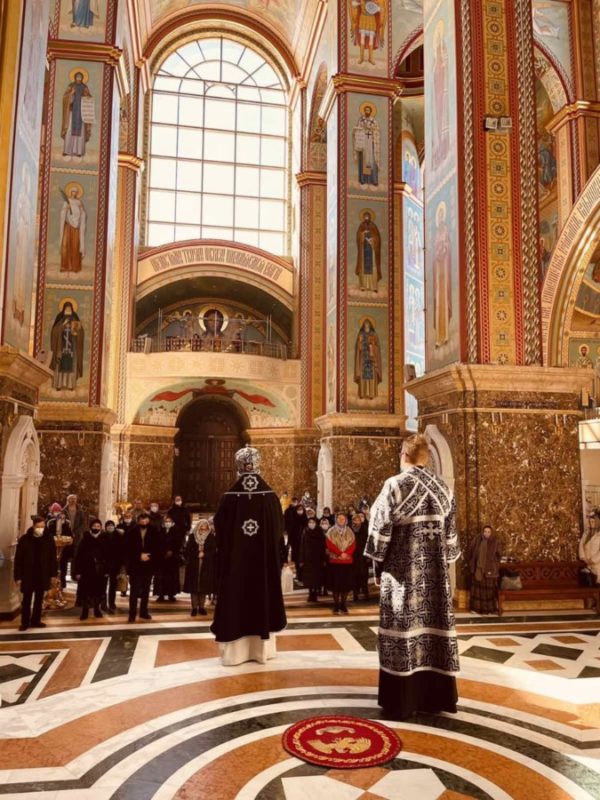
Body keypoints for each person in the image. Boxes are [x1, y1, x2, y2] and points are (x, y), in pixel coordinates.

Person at [366, 433, 460, 720]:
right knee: (433, 630)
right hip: (435, 582)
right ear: (426, 457)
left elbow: (379, 532)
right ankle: (436, 697)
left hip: (402, 579)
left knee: (402, 628)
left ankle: (402, 700)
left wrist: (377, 565)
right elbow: (451, 544)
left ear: (403, 456)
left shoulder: (395, 485)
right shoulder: (443, 488)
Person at [211, 446, 287, 665]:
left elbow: (220, 530)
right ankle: (262, 651)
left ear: (239, 467)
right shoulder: (270, 497)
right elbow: (278, 531)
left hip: (236, 564)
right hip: (263, 564)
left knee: (236, 596)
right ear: (257, 465)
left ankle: (236, 654)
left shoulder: (229, 497)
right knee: (262, 595)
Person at [14, 516, 57, 631]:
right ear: (33, 526)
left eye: (43, 526)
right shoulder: (24, 539)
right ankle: (25, 622)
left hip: (42, 573)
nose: (41, 529)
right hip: (28, 574)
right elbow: (18, 559)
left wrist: (53, 574)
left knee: (39, 598)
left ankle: (36, 620)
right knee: (26, 599)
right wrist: (17, 577)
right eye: (38, 527)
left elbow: (53, 558)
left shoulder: (49, 539)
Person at [125, 512, 161, 623]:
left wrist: (149, 556)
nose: (144, 522)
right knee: (134, 591)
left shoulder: (154, 531)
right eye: (142, 520)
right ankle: (132, 614)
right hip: (135, 565)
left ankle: (143, 612)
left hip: (149, 565)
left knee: (146, 590)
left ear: (149, 520)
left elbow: (159, 547)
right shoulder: (131, 531)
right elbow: (127, 548)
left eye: (146, 520)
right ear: (138, 520)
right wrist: (139, 556)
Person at [74, 519, 108, 620]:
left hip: (99, 570)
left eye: (98, 526)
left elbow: (108, 555)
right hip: (86, 570)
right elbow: (78, 556)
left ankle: (97, 609)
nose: (96, 528)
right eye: (94, 526)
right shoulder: (85, 539)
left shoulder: (104, 539)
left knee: (98, 590)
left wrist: (107, 570)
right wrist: (77, 571)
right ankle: (85, 611)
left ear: (101, 528)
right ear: (91, 527)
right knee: (85, 591)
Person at [183, 518, 216, 616]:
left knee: (203, 587)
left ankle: (201, 607)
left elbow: (213, 550)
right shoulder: (192, 536)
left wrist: (204, 554)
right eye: (201, 526)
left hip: (206, 565)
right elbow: (188, 550)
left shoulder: (211, 537)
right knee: (194, 587)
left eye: (205, 526)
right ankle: (194, 608)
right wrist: (197, 554)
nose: (203, 528)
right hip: (194, 563)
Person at [325, 512, 356, 614]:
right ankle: (336, 605)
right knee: (336, 585)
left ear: (346, 520)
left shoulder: (350, 531)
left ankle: (343, 604)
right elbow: (329, 544)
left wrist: (346, 554)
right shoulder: (330, 531)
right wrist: (340, 553)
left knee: (345, 585)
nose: (341, 520)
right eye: (339, 518)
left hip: (347, 561)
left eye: (343, 519)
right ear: (336, 519)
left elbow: (353, 545)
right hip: (335, 561)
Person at [154, 514, 184, 602]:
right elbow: (156, 543)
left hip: (172, 558)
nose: (167, 523)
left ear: (172, 523)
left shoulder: (176, 532)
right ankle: (161, 595)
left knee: (172, 577)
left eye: (169, 521)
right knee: (161, 577)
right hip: (161, 558)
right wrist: (162, 552)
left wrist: (172, 551)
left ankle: (171, 594)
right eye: (166, 521)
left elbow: (179, 543)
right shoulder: (160, 531)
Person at [61, 493, 86, 587]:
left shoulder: (80, 511)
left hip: (77, 536)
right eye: (71, 499)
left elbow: (83, 524)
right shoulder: (63, 511)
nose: (72, 500)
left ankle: (73, 574)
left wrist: (77, 532)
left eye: (74, 499)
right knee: (64, 555)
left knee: (75, 555)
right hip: (66, 535)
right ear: (68, 500)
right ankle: (62, 576)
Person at [300, 516, 326, 602]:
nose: (311, 524)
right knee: (309, 577)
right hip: (308, 558)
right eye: (310, 522)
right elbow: (302, 546)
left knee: (317, 576)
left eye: (313, 522)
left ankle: (315, 592)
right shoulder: (305, 532)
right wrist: (301, 559)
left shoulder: (320, 532)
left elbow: (323, 546)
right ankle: (310, 593)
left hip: (318, 558)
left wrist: (324, 559)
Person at [104, 519, 127, 612]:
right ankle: (103, 603)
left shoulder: (119, 536)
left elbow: (122, 551)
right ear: (105, 527)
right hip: (104, 565)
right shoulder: (103, 536)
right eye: (108, 526)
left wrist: (122, 565)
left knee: (113, 585)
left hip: (115, 565)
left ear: (114, 527)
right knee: (102, 585)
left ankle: (111, 603)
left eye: (112, 525)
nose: (110, 527)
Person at [352, 513, 370, 601]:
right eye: (355, 520)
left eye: (358, 520)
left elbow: (368, 542)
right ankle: (355, 594)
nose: (357, 521)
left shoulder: (365, 529)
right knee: (354, 576)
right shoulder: (350, 529)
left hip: (363, 556)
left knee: (364, 575)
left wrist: (368, 556)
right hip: (353, 556)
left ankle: (366, 593)